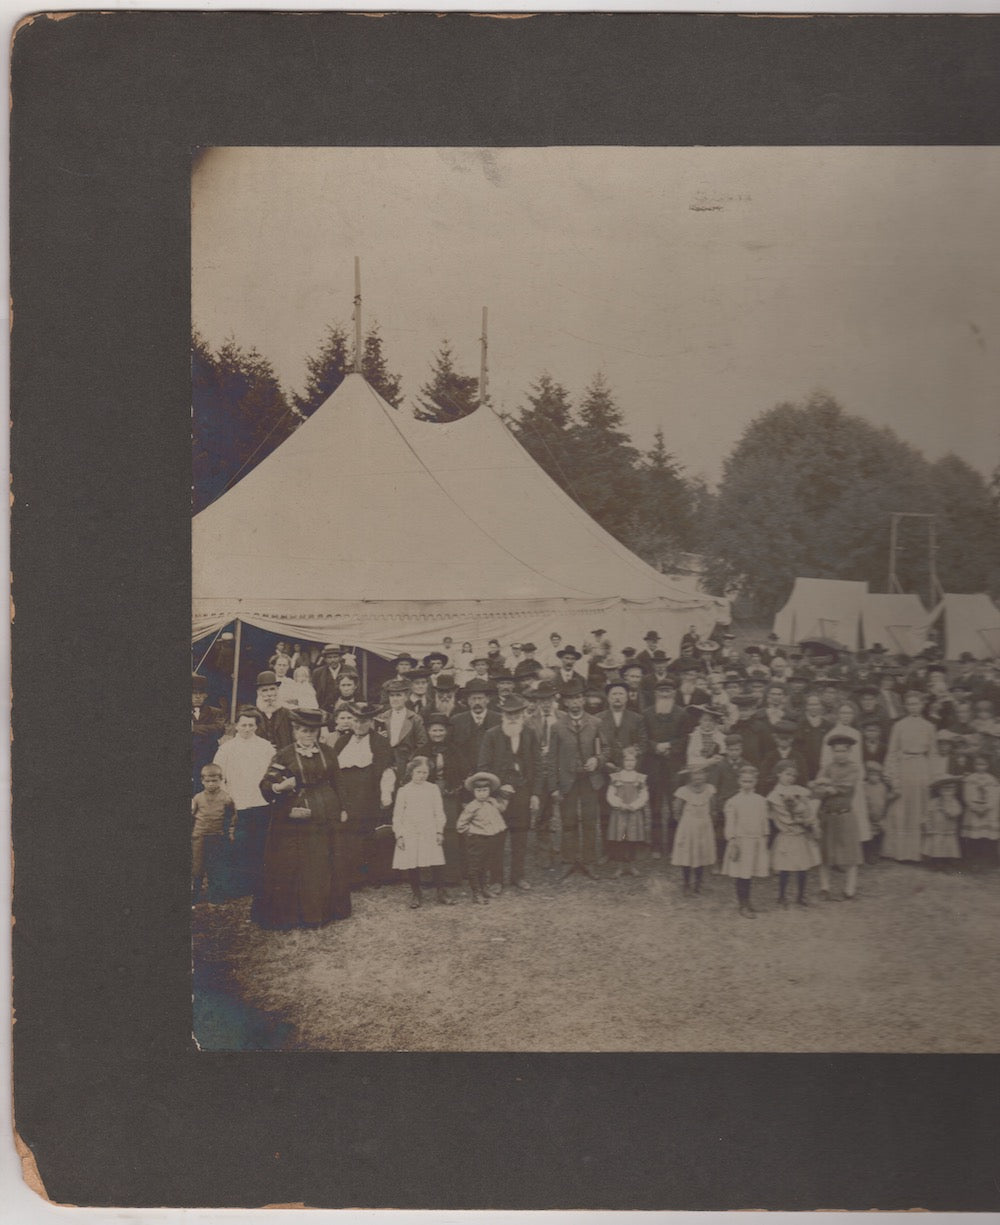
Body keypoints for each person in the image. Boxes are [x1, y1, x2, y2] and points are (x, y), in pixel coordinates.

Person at [252, 708, 352, 930]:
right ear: (296, 730)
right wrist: (280, 786)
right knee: (304, 864)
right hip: (298, 815)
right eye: (304, 731)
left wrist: (344, 807)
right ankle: (301, 915)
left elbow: (338, 781)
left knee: (325, 862)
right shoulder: (284, 755)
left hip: (328, 812)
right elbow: (266, 785)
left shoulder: (328, 752)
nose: (308, 736)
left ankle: (328, 910)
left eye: (313, 731)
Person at [477, 693, 542, 892]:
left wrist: (535, 794)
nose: (512, 717)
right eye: (508, 713)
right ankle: (496, 879)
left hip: (523, 792)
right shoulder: (492, 734)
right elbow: (483, 766)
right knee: (497, 837)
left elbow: (538, 765)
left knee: (520, 837)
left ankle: (518, 876)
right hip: (499, 794)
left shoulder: (530, 734)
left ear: (522, 714)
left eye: (516, 713)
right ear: (503, 714)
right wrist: (498, 786)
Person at [213, 705, 278, 898]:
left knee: (259, 843)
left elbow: (272, 773)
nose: (247, 729)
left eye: (251, 725)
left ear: (257, 726)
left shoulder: (266, 747)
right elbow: (218, 775)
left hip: (260, 802)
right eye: (243, 725)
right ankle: (240, 885)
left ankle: (257, 883)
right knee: (240, 844)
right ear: (237, 726)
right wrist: (227, 797)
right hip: (237, 803)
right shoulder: (226, 748)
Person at [331, 701, 396, 889]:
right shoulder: (343, 741)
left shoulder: (380, 742)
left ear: (371, 722)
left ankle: (371, 876)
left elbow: (386, 771)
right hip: (346, 794)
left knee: (367, 835)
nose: (359, 726)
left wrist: (386, 795)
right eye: (356, 721)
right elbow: (334, 769)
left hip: (368, 794)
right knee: (347, 836)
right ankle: (351, 877)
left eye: (364, 721)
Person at [551, 678, 604, 881]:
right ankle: (568, 861)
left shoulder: (595, 722)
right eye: (571, 699)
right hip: (568, 780)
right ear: (565, 702)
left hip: (590, 780)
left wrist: (597, 760)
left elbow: (606, 749)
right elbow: (552, 757)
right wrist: (554, 785)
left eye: (579, 698)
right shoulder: (557, 727)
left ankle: (590, 861)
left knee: (590, 821)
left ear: (584, 700)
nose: (575, 702)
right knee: (569, 821)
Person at [391, 756, 455, 908]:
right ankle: (416, 894)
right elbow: (397, 815)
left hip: (429, 829)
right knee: (413, 862)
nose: (422, 775)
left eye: (425, 772)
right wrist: (399, 835)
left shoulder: (432, 789)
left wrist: (439, 831)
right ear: (411, 772)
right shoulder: (404, 791)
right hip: (410, 830)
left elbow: (439, 812)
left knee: (436, 860)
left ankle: (441, 892)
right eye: (418, 772)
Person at [883, 690, 936, 862]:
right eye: (910, 704)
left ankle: (917, 852)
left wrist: (932, 776)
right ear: (906, 706)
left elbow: (933, 754)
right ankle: (899, 852)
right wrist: (892, 775)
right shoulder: (899, 726)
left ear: (922, 705)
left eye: (917, 703)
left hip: (921, 767)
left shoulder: (929, 727)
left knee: (919, 808)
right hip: (903, 767)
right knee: (900, 809)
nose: (914, 707)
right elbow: (892, 751)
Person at [811, 733, 863, 900]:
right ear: (832, 752)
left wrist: (827, 786)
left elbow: (845, 787)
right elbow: (816, 790)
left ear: (849, 752)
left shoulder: (854, 768)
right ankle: (825, 887)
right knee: (825, 852)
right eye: (836, 751)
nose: (839, 754)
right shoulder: (827, 767)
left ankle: (850, 889)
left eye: (843, 751)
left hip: (844, 815)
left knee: (849, 853)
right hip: (827, 815)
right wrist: (823, 787)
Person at [642, 680, 687, 858]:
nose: (665, 694)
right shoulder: (646, 714)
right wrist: (655, 746)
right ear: (655, 694)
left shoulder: (682, 714)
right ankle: (656, 845)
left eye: (668, 691)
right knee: (655, 806)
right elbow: (643, 737)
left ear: (674, 693)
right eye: (661, 691)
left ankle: (675, 843)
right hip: (653, 766)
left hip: (673, 766)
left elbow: (685, 738)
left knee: (674, 805)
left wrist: (669, 746)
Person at [767, 760, 820, 907]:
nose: (790, 778)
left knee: (802, 867)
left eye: (793, 775)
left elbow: (810, 803)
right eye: (787, 774)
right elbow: (778, 813)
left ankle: (801, 896)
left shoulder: (799, 790)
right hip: (786, 834)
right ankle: (782, 896)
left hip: (800, 835)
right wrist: (797, 817)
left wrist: (808, 819)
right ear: (779, 774)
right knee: (785, 868)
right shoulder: (775, 794)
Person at [721, 766, 771, 918]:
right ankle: (743, 905)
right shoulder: (733, 801)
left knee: (749, 873)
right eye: (744, 781)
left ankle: (748, 902)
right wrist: (732, 839)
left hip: (756, 840)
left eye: (750, 781)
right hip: (741, 842)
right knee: (742, 874)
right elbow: (730, 823)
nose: (747, 784)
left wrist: (765, 836)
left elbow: (764, 821)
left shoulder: (761, 800)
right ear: (739, 781)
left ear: (755, 782)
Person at [424, 712, 465, 886]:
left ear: (446, 731)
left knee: (449, 831)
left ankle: (450, 875)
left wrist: (454, 786)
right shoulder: (422, 751)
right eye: (434, 730)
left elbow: (464, 771)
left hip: (449, 795)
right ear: (428, 731)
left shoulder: (455, 750)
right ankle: (427, 876)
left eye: (441, 730)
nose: (438, 734)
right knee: (428, 831)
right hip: (427, 796)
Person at [457, 771, 508, 904]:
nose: (482, 793)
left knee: (485, 865)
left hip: (490, 839)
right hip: (477, 840)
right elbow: (461, 824)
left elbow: (498, 815)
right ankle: (476, 893)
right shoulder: (472, 806)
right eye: (478, 791)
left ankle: (484, 888)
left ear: (489, 791)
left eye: (485, 790)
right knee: (475, 866)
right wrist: (473, 832)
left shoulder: (491, 803)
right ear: (474, 792)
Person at [527, 681, 562, 869]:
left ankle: (558, 849)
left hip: (558, 771)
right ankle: (543, 852)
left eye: (548, 699)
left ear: (554, 700)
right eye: (542, 700)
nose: (546, 704)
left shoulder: (563, 718)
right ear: (538, 702)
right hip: (539, 772)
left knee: (560, 813)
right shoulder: (530, 721)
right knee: (541, 812)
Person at [191, 763, 236, 904]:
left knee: (215, 866)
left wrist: (229, 832)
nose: (211, 784)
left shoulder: (226, 798)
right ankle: (195, 893)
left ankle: (215, 894)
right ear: (202, 781)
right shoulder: (197, 798)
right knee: (197, 867)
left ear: (221, 780)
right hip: (200, 836)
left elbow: (231, 817)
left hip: (217, 836)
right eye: (207, 781)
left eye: (214, 781)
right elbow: (191, 816)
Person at [672, 762, 717, 895]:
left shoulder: (710, 789)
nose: (699, 776)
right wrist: (686, 824)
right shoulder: (683, 791)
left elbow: (713, 810)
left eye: (702, 773)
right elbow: (677, 811)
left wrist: (708, 823)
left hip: (704, 826)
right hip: (688, 827)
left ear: (706, 775)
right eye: (695, 773)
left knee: (702, 854)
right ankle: (686, 883)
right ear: (690, 776)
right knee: (687, 854)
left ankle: (698, 883)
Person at [605, 745, 648, 877]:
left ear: (636, 761)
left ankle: (631, 865)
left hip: (633, 814)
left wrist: (634, 805)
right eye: (627, 760)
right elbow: (610, 794)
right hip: (620, 813)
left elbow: (644, 795)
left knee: (632, 839)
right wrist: (619, 804)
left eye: (632, 760)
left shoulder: (640, 778)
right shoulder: (616, 777)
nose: (629, 763)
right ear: (622, 761)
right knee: (620, 840)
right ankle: (619, 867)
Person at [451, 679, 500, 783]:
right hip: (465, 777)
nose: (477, 702)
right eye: (473, 699)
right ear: (468, 701)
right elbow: (454, 750)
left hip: (493, 776)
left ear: (487, 699)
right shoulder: (457, 721)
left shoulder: (498, 720)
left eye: (480, 698)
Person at [383, 677, 428, 783]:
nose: (395, 699)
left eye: (398, 695)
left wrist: (411, 762)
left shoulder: (414, 718)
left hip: (406, 761)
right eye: (392, 696)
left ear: (406, 697)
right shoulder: (383, 717)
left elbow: (422, 743)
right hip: (386, 762)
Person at [960, 753, 1000, 867]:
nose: (980, 767)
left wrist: (987, 807)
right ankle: (974, 858)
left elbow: (995, 796)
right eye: (978, 764)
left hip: (987, 812)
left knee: (986, 835)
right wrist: (974, 807)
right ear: (974, 765)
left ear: (987, 765)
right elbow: (966, 795)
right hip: (974, 811)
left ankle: (987, 858)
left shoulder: (992, 780)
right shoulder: (970, 779)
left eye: (983, 764)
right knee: (974, 836)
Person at [192, 674, 224, 792]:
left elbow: (219, 730)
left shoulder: (215, 712)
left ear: (206, 695)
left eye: (201, 694)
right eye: (194, 693)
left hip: (208, 757)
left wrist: (193, 728)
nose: (197, 697)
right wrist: (207, 730)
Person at [923, 776, 963, 869]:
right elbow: (927, 814)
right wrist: (928, 825)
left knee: (948, 845)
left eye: (951, 789)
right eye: (945, 789)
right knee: (937, 844)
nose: (948, 792)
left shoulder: (954, 802)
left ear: (954, 791)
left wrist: (948, 811)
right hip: (936, 829)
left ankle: (946, 860)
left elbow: (957, 812)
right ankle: (937, 861)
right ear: (939, 791)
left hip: (948, 829)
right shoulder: (933, 802)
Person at [253, 671, 294, 751]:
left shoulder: (287, 714)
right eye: (265, 690)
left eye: (272, 689)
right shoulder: (253, 715)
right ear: (258, 692)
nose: (269, 694)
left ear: (277, 690)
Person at [311, 644, 346, 714]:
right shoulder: (318, 673)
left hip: (345, 710)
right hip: (324, 711)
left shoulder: (349, 670)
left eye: (335, 657)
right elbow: (314, 692)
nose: (333, 660)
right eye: (329, 657)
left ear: (340, 658)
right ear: (325, 659)